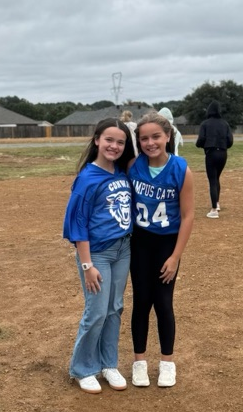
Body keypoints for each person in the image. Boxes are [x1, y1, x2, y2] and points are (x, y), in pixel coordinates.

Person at [63, 119, 135, 393]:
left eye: (120, 142)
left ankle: (109, 364)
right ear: (97, 140)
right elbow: (78, 222)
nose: (114, 146)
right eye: (109, 140)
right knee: (96, 312)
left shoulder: (121, 173)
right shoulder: (87, 178)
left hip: (123, 249)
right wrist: (87, 264)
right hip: (97, 254)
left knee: (114, 308)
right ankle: (83, 369)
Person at [128, 112, 195, 388]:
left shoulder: (180, 169)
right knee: (141, 302)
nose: (150, 143)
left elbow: (188, 215)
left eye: (156, 136)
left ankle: (167, 362)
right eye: (144, 138)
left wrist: (176, 256)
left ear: (168, 136)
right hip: (140, 242)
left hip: (167, 243)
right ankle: (139, 362)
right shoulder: (133, 166)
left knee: (164, 303)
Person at [196, 101, 233, 218]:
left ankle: (214, 210)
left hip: (211, 153)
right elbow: (230, 141)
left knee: (212, 180)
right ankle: (216, 203)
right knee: (217, 178)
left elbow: (201, 139)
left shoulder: (205, 124)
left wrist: (200, 145)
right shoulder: (225, 124)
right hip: (223, 153)